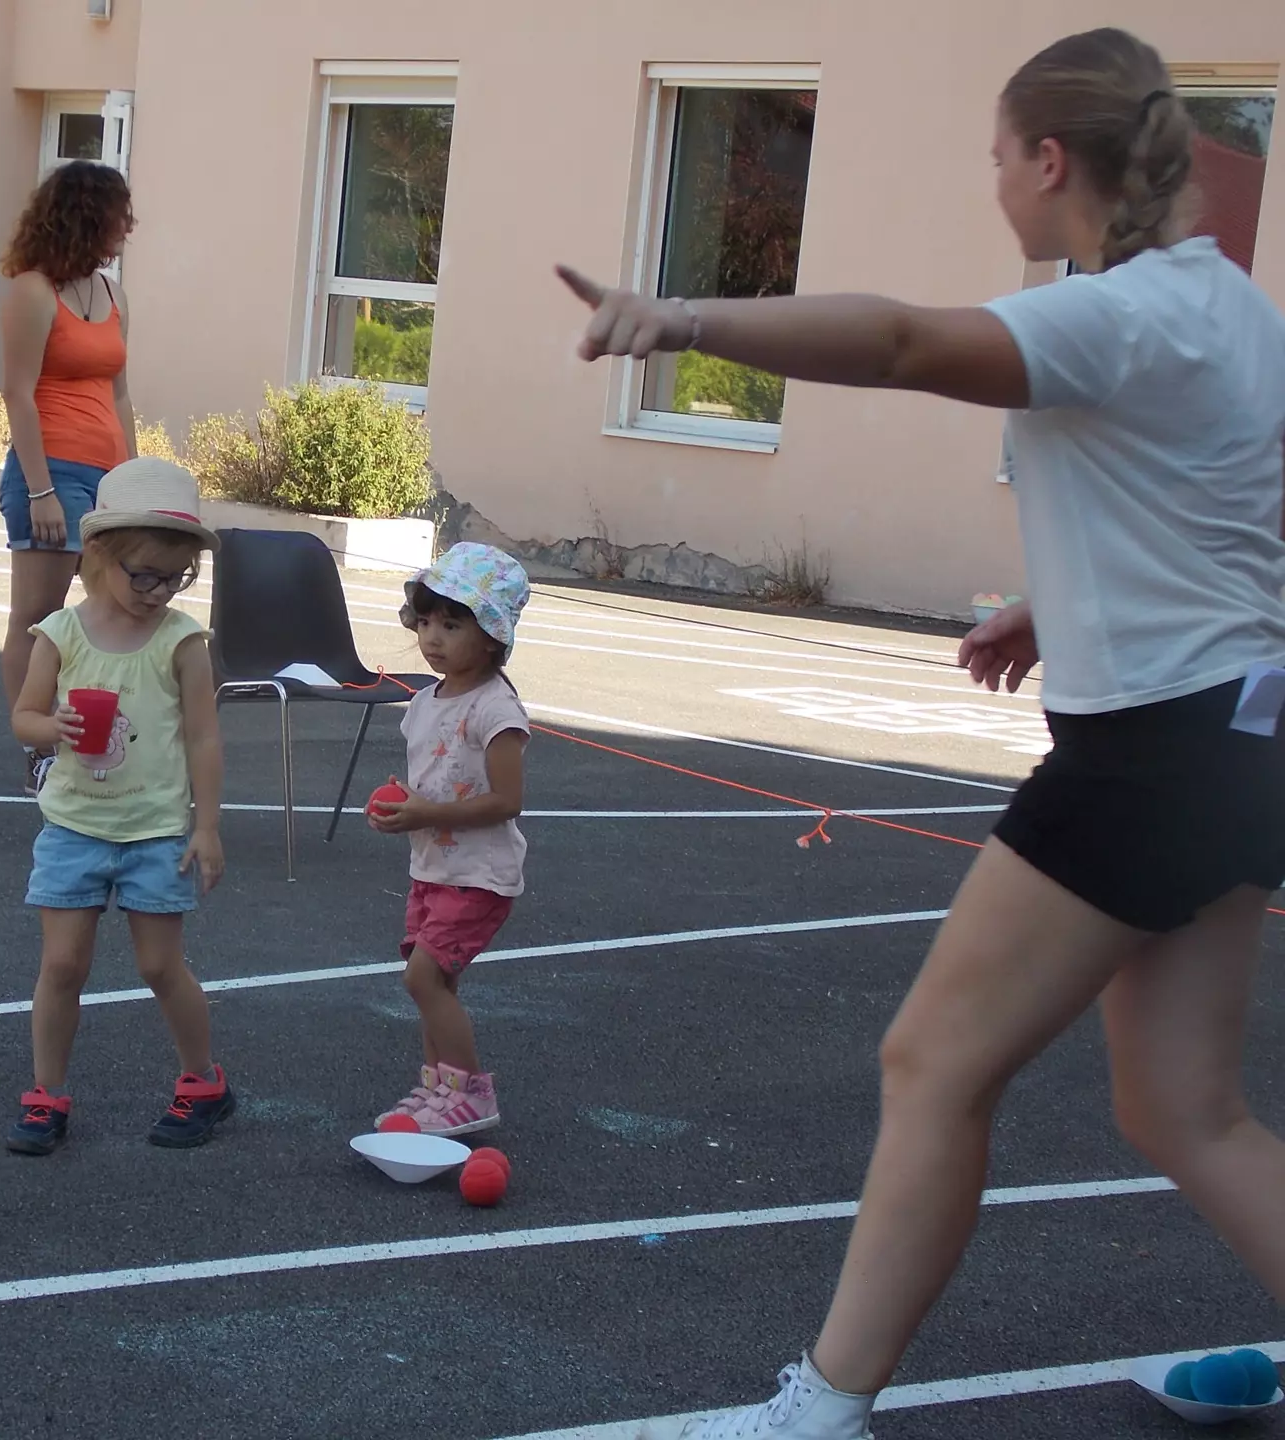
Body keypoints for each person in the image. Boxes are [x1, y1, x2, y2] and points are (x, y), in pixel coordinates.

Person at [558, 27, 1285, 1439]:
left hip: (1152, 757)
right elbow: (1215, 511)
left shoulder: (1113, 314)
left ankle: (822, 1408)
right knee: (1185, 1111)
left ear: (1050, 161)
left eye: (1000, 155)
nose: (994, 180)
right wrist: (1052, 604)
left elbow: (898, 340)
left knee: (934, 1063)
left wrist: (679, 319)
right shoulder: (1232, 309)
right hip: (1243, 743)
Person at [5, 457, 233, 1155]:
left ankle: (204, 1083)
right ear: (100, 553)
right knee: (62, 966)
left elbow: (203, 736)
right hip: (73, 826)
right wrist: (51, 727)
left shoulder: (181, 640)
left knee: (160, 967)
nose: (159, 592)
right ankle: (46, 1096)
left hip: (154, 831)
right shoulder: (61, 633)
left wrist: (207, 826)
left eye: (176, 578)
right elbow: (24, 717)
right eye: (145, 576)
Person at [369, 543, 532, 1137]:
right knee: (434, 983)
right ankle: (439, 1088)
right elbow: (432, 780)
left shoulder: (496, 709)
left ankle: (471, 1094)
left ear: (491, 636)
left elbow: (507, 800)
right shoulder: (423, 703)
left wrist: (427, 811)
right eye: (426, 622)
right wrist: (401, 805)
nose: (432, 637)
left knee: (422, 978)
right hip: (434, 867)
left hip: (479, 875)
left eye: (452, 625)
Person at [0, 161, 138, 793]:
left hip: (106, 474)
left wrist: (131, 483)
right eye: (118, 217)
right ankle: (37, 749)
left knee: (114, 611)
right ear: (87, 217)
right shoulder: (33, 292)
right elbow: (18, 393)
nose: (126, 229)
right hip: (50, 468)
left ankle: (94, 735)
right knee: (37, 617)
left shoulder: (114, 296)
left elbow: (121, 394)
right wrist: (41, 491)